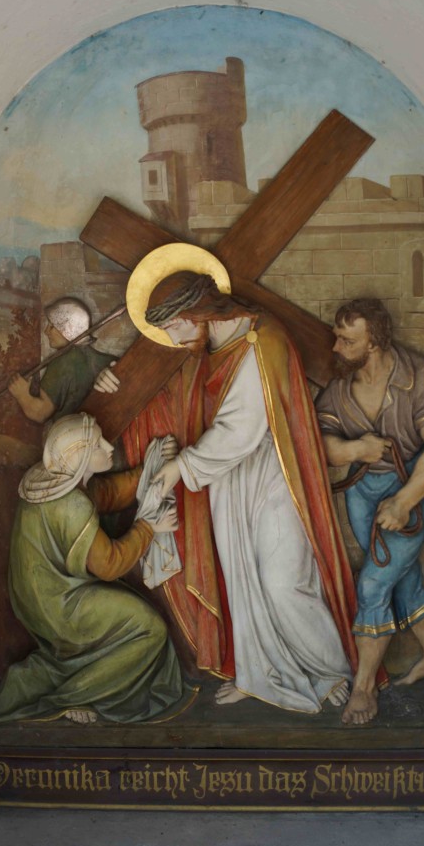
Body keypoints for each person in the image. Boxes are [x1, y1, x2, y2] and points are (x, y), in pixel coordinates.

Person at [99, 244, 359, 715]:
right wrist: (111, 383)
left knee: (283, 581)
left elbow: (243, 427)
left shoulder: (263, 339)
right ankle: (259, 674)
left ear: (193, 314)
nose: (172, 340)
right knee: (240, 580)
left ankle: (329, 670)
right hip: (227, 484)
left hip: (275, 477)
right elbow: (170, 404)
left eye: (173, 328)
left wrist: (180, 468)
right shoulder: (208, 348)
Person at [0, 412, 188, 725]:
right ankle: (72, 697)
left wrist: (150, 466)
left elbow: (108, 493)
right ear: (79, 457)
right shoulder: (71, 506)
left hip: (39, 597)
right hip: (59, 607)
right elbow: (110, 565)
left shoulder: (52, 480)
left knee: (117, 629)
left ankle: (55, 679)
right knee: (149, 629)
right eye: (97, 444)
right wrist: (150, 526)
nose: (108, 447)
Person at [315, 298, 424, 726]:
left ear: (373, 342)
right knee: (403, 581)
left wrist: (404, 501)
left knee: (374, 584)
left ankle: (364, 687)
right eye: (337, 337)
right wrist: (356, 449)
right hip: (361, 493)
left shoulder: (417, 377)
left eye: (347, 340)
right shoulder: (340, 387)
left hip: (409, 488)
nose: (336, 347)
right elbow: (320, 442)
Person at [8, 297, 115, 423]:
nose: (46, 331)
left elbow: (40, 413)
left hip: (68, 432)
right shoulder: (105, 360)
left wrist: (22, 394)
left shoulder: (61, 363)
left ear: (68, 330)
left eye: (52, 326)